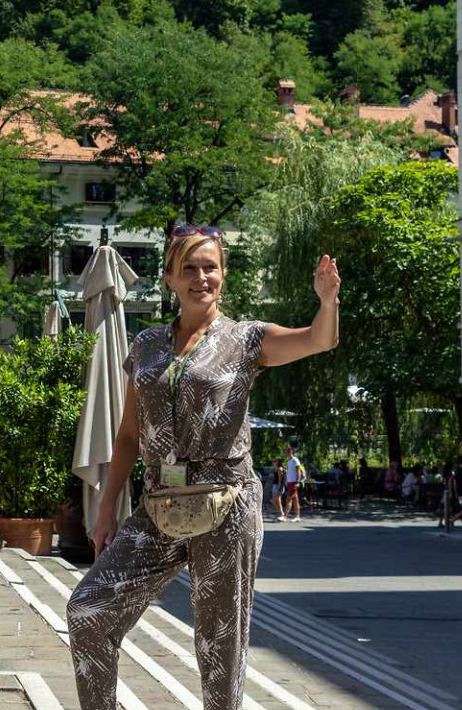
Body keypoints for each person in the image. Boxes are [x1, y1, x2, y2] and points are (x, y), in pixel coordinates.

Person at [66, 228, 340, 710]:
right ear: (170, 277)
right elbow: (128, 435)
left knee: (219, 644)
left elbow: (319, 340)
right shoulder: (147, 345)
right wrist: (107, 508)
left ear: (223, 275)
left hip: (227, 501)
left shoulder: (246, 339)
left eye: (210, 267)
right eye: (189, 268)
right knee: (89, 609)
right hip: (158, 504)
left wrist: (326, 301)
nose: (201, 277)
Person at [279, 451, 305, 522]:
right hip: (290, 483)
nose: (285, 454)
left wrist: (297, 482)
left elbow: (298, 471)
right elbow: (289, 472)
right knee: (295, 500)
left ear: (290, 453)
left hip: (294, 483)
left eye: (286, 453)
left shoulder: (295, 460)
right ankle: (297, 516)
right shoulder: (289, 461)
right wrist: (287, 481)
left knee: (288, 499)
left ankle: (285, 516)